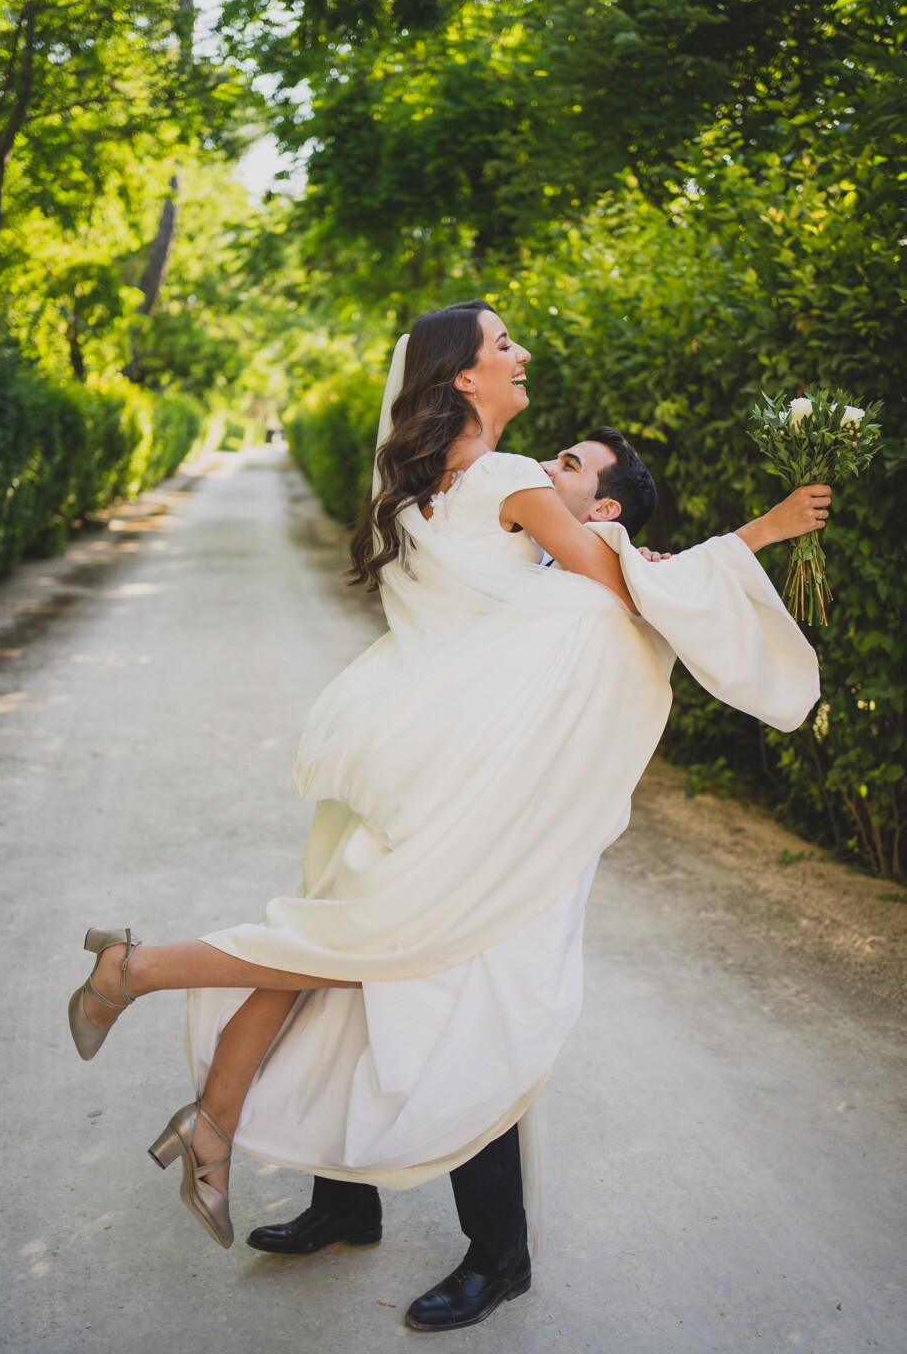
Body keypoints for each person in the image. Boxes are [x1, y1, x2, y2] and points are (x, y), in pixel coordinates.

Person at [68, 300, 827, 1331]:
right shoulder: (512, 485)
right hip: (469, 775)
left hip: (412, 758)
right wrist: (759, 537)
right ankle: (322, 1168)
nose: (523, 355)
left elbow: (591, 581)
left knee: (366, 956)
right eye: (503, 344)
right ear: (465, 379)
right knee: (391, 963)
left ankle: (356, 1189)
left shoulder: (414, 486)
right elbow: (632, 588)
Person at [241, 415, 829, 1332]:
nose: (542, 468)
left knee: (480, 1021)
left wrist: (768, 527)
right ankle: (348, 1203)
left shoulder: (614, 574)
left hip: (521, 843)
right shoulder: (517, 553)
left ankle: (499, 1255)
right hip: (432, 811)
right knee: (356, 976)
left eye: (569, 465)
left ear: (602, 509)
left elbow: (672, 592)